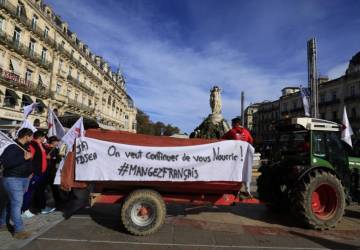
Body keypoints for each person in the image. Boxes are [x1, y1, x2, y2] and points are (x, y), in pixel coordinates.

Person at [0, 128, 33, 239]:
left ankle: (3, 224)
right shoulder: (12, 147)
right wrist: (23, 158)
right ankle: (19, 230)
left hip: (23, 178)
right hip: (13, 179)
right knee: (17, 204)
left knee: (11, 202)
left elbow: (26, 162)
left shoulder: (24, 147)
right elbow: (6, 163)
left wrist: (30, 172)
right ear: (26, 136)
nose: (32, 139)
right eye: (31, 136)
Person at [23, 131, 54, 215]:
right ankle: (24, 210)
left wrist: (47, 157)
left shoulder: (42, 145)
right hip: (34, 173)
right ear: (40, 137)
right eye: (44, 137)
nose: (45, 139)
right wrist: (31, 172)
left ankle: (41, 207)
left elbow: (43, 155)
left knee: (39, 191)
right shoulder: (32, 145)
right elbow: (29, 160)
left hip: (42, 173)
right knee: (29, 192)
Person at [45, 136, 62, 210]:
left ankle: (58, 204)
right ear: (53, 142)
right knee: (45, 189)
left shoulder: (56, 149)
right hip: (46, 171)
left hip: (53, 171)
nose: (58, 142)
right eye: (57, 141)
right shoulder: (46, 148)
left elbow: (58, 159)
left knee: (55, 189)